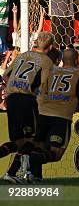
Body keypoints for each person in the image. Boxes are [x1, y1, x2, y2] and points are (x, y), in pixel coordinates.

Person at [24, 48, 79, 181]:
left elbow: (36, 88)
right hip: (61, 116)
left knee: (39, 146)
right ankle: (33, 162)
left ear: (62, 60)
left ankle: (35, 175)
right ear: (76, 60)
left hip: (41, 114)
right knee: (56, 154)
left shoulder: (50, 71)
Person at [0, 32, 54, 183]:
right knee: (33, 139)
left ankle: (18, 173)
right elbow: (44, 86)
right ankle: (18, 173)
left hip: (10, 97)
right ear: (50, 47)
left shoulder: (23, 55)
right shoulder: (46, 61)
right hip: (26, 98)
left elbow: (5, 76)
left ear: (36, 43)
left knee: (18, 141)